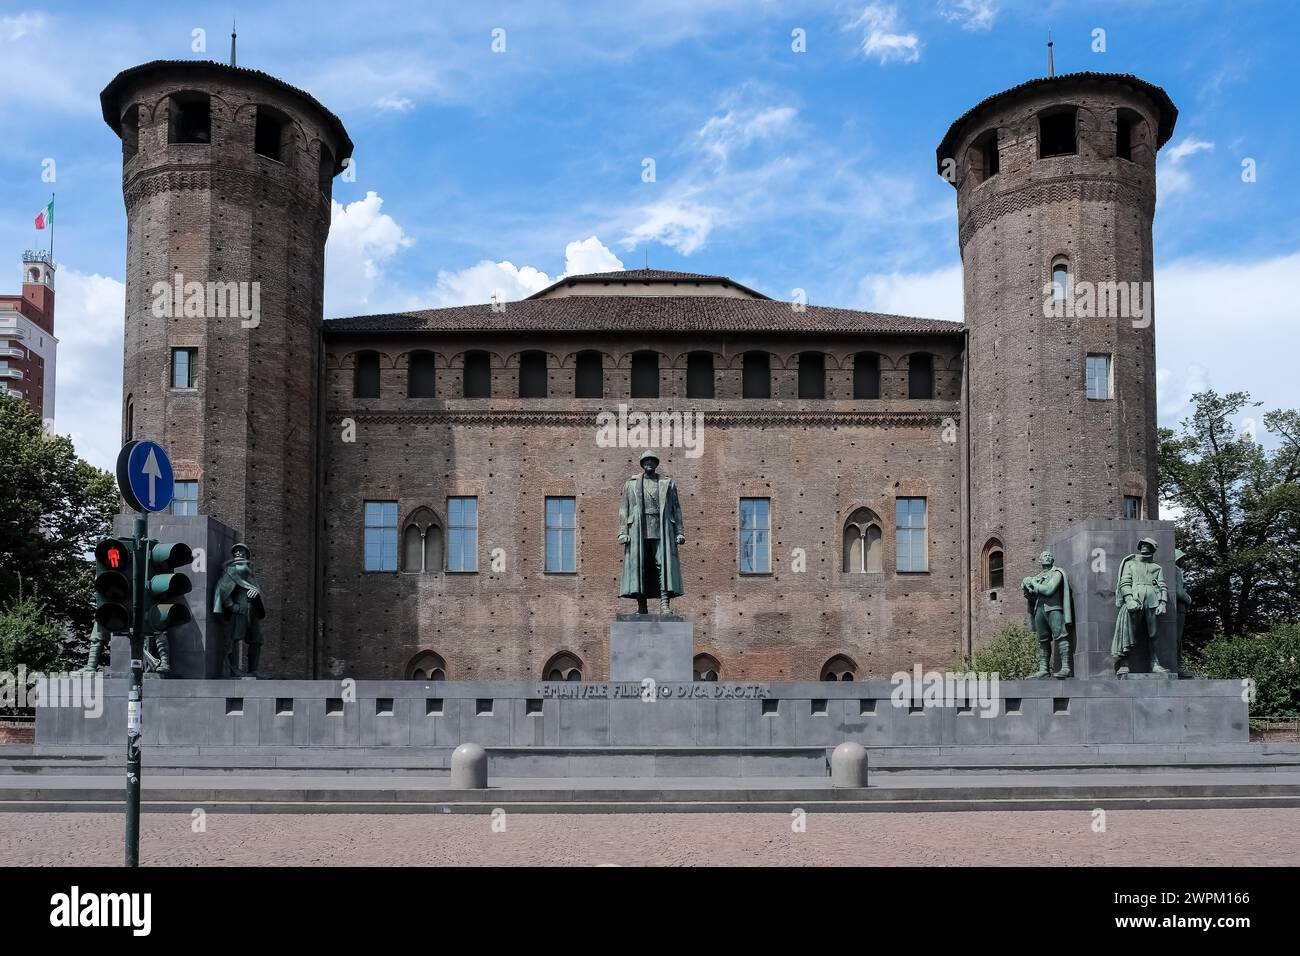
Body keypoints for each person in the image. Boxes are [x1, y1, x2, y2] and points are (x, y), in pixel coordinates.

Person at [618, 450, 685, 614]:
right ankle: (642, 606)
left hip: (662, 529)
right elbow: (623, 510)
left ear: (656, 464)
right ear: (642, 464)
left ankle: (664, 604)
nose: (649, 463)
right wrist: (622, 532)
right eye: (646, 460)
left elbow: (676, 509)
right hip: (638, 530)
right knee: (640, 566)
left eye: (652, 460)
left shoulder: (667, 483)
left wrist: (679, 532)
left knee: (663, 566)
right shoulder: (631, 484)